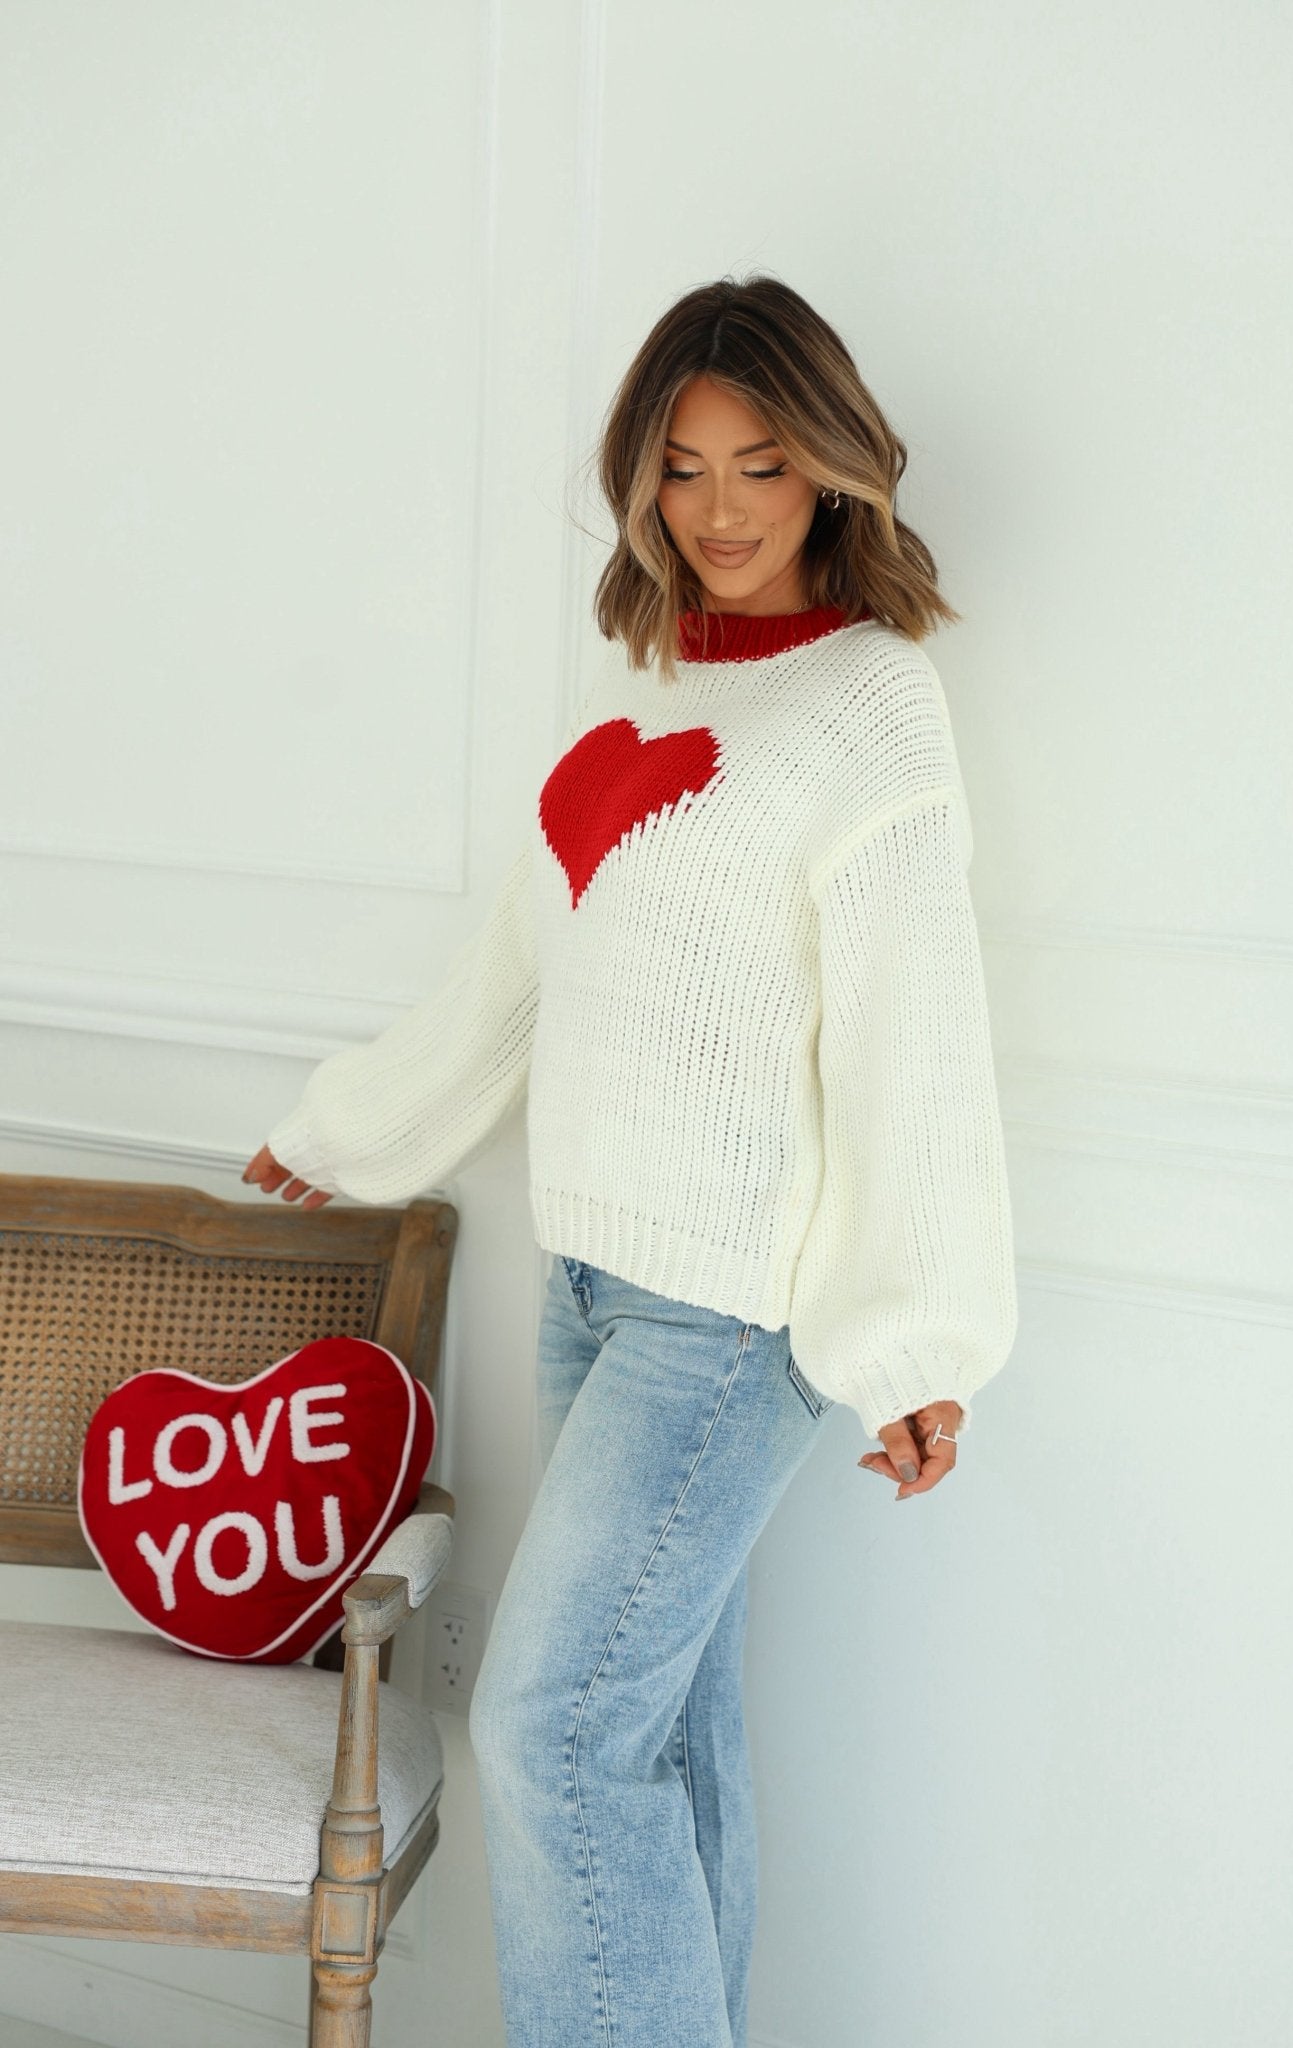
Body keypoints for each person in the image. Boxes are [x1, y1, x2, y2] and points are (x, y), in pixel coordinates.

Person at [243, 272, 1018, 2048]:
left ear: (833, 472)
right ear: (639, 482)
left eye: (762, 464)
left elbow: (916, 1034)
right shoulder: (634, 688)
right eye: (681, 468)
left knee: (548, 1732)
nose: (722, 510)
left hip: (731, 1314)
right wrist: (352, 1128)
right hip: (588, 1283)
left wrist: (910, 1344)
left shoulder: (874, 707)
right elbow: (521, 975)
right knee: (658, 1734)